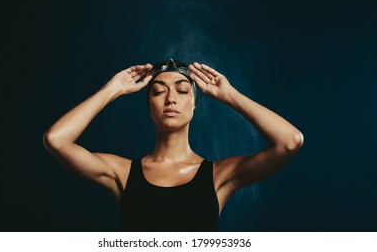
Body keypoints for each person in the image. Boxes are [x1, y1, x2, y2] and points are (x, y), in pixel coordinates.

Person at [43, 59, 304, 231]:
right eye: (158, 91)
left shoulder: (219, 175)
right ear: (149, 106)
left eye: (182, 90)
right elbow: (57, 140)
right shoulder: (120, 172)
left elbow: (289, 141)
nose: (170, 98)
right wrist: (113, 88)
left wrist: (229, 95)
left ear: (194, 104)